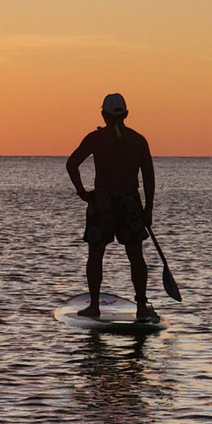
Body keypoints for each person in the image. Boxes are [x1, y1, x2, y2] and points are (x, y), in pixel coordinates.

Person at [66, 93, 156, 320]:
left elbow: (72, 164)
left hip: (102, 202)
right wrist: (148, 209)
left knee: (96, 255)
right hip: (130, 203)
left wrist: (82, 192)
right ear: (126, 114)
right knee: (135, 256)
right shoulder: (138, 140)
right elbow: (148, 177)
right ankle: (141, 307)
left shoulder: (96, 139)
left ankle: (94, 305)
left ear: (103, 115)